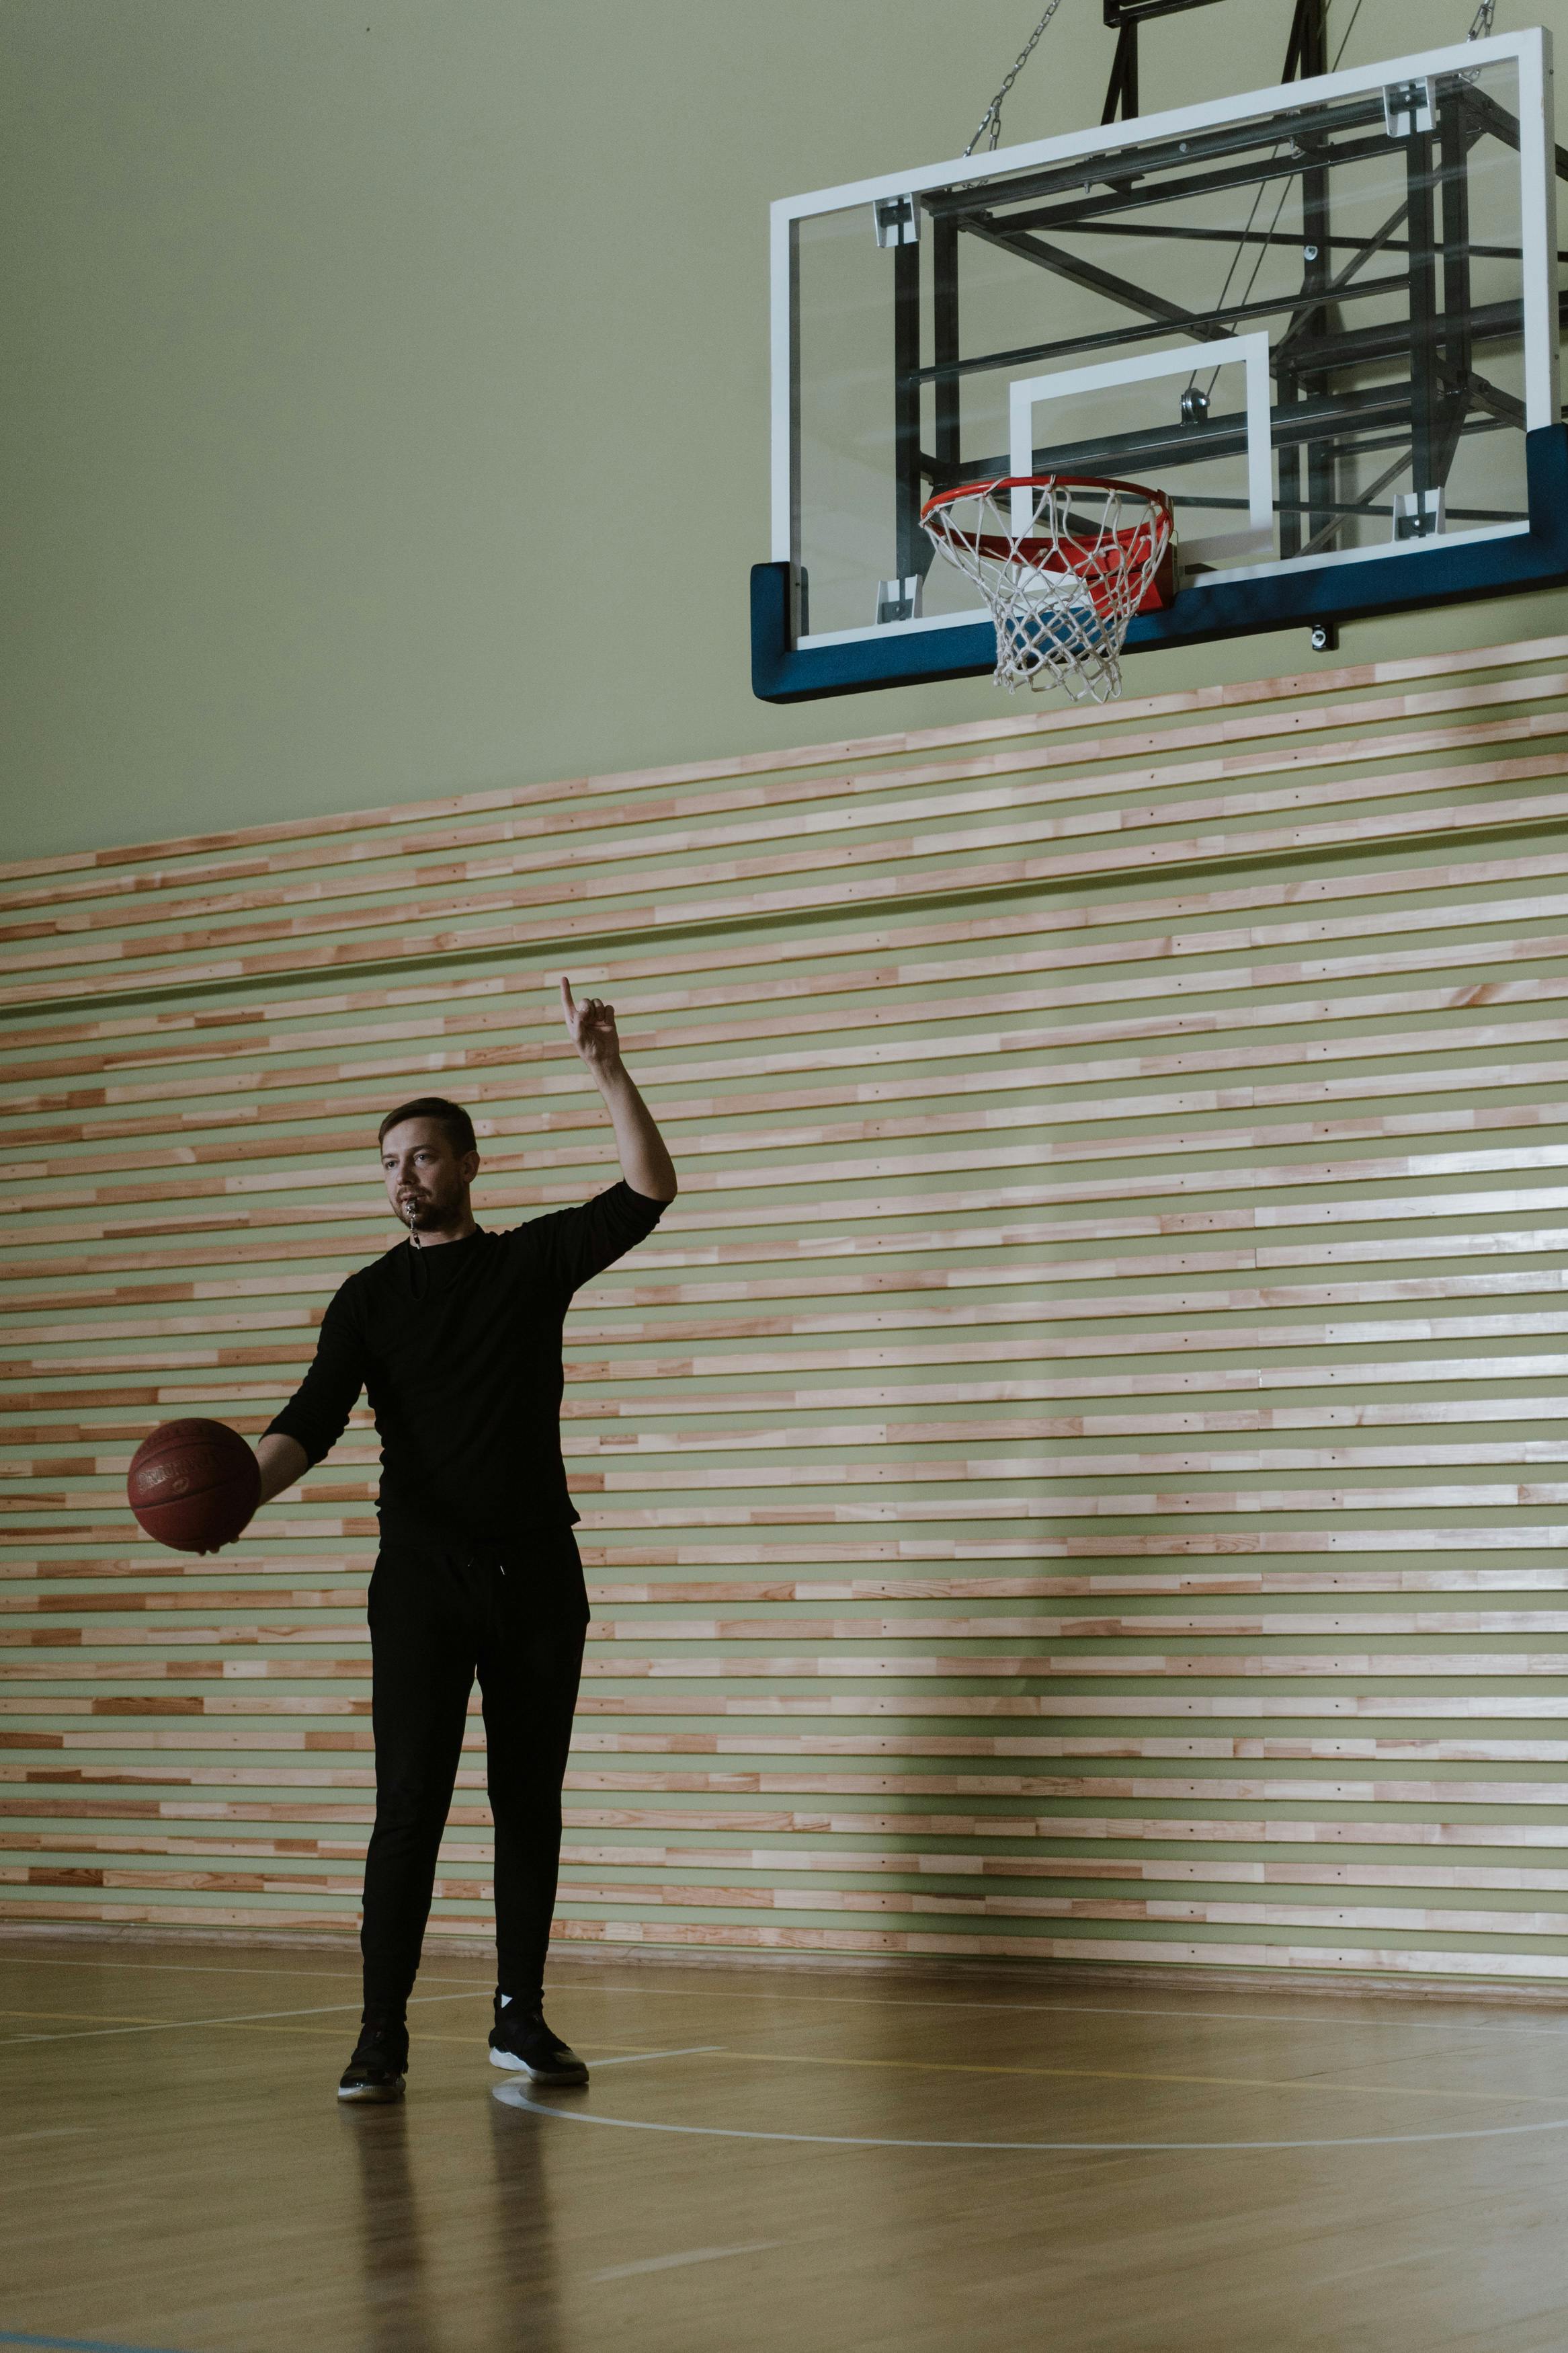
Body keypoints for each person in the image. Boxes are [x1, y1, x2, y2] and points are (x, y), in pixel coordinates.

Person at [252, 978, 677, 2103]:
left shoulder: (527, 1265)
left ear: (467, 1166)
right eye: (389, 1161)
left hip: (538, 1571)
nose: (404, 1176)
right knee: (410, 1810)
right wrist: (241, 1493)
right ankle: (380, 2033)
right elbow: (309, 1422)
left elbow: (646, 1193)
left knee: (526, 1804)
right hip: (422, 1583)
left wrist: (605, 1072)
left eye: (425, 1156)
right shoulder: (365, 1301)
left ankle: (517, 2019)